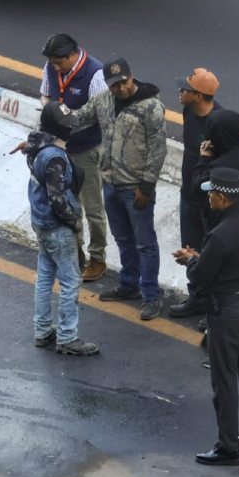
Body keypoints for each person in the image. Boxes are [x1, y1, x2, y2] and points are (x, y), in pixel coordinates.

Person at [173, 167, 239, 466]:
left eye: (211, 194)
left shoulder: (219, 235)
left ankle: (228, 447)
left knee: (224, 378)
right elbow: (234, 261)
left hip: (228, 312)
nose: (209, 199)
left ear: (222, 198)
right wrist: (203, 259)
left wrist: (191, 261)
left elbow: (202, 278)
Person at [60, 58, 168, 320]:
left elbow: (157, 148)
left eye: (123, 82)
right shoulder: (103, 100)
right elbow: (79, 117)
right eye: (114, 85)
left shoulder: (151, 107)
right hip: (110, 183)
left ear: (132, 77)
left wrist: (147, 185)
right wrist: (56, 112)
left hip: (136, 189)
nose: (119, 88)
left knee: (145, 243)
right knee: (123, 239)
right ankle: (129, 285)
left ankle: (151, 295)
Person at [18, 102, 99, 356]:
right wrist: (74, 222)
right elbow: (57, 199)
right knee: (70, 281)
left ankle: (42, 331)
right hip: (57, 228)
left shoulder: (35, 145)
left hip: (41, 223)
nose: (71, 130)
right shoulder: (54, 157)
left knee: (44, 277)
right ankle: (67, 336)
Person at [39, 33, 110, 282]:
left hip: (85, 150)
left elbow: (100, 113)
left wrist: (66, 123)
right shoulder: (51, 66)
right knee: (67, 205)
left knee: (92, 208)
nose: (55, 67)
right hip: (58, 149)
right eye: (52, 63)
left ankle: (98, 257)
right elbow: (46, 96)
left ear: (73, 55)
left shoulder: (96, 74)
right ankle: (75, 253)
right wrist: (51, 120)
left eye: (59, 63)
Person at [169, 67, 221, 319]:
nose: (180, 92)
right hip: (187, 191)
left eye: (185, 89)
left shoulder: (219, 122)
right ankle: (196, 297)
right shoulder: (188, 109)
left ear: (199, 95)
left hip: (210, 200)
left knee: (210, 252)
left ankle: (214, 303)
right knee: (189, 245)